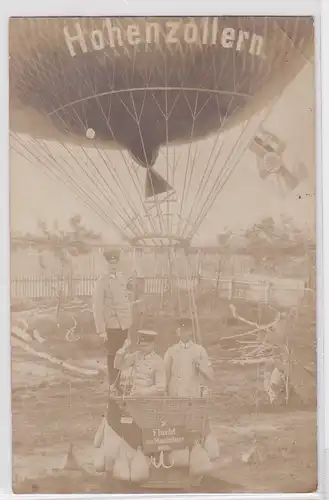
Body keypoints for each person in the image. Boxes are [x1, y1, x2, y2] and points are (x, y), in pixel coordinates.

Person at [92, 248, 132, 387]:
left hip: (124, 325)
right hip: (111, 325)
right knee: (112, 356)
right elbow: (97, 307)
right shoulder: (102, 281)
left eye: (115, 264)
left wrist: (128, 321)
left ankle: (118, 384)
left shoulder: (122, 278)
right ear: (106, 265)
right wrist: (101, 330)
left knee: (121, 355)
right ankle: (112, 385)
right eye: (110, 264)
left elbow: (125, 301)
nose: (113, 267)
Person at [164, 317, 214, 397]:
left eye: (186, 330)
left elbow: (210, 376)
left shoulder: (200, 350)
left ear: (191, 331)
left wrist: (201, 364)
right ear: (177, 332)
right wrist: (165, 393)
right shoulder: (171, 351)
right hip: (175, 394)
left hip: (192, 395)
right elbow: (165, 376)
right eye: (181, 330)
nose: (184, 333)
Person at [114, 330, 166, 397]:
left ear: (153, 344)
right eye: (141, 346)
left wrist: (142, 393)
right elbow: (119, 365)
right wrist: (123, 349)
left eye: (146, 346)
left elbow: (161, 388)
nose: (143, 349)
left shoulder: (158, 362)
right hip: (133, 396)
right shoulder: (136, 356)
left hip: (149, 399)